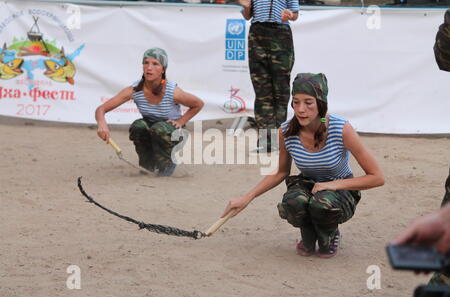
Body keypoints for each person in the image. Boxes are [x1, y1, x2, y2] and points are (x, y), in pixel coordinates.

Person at [221, 73, 384, 258]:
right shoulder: (286, 131)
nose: (301, 109)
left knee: (322, 206)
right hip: (308, 186)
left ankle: (328, 235)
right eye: (296, 102)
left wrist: (332, 185)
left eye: (308, 102)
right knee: (293, 202)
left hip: (339, 191)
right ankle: (308, 235)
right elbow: (281, 172)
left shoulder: (341, 129)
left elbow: (377, 177)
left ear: (321, 104)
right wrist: (247, 197)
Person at [95, 48, 204, 176]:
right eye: (146, 63)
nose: (149, 67)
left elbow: (198, 104)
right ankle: (147, 164)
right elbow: (101, 109)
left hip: (172, 132)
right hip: (152, 127)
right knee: (138, 127)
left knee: (158, 129)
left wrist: (181, 121)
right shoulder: (135, 90)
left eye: (155, 64)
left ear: (163, 69)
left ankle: (167, 163)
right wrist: (102, 124)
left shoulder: (172, 91)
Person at [238, 0, 299, 153]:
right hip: (257, 33)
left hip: (281, 33)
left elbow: (295, 14)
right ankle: (265, 141)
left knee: (281, 91)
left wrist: (290, 15)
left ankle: (280, 139)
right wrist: (246, 7)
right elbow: (247, 16)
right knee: (262, 91)